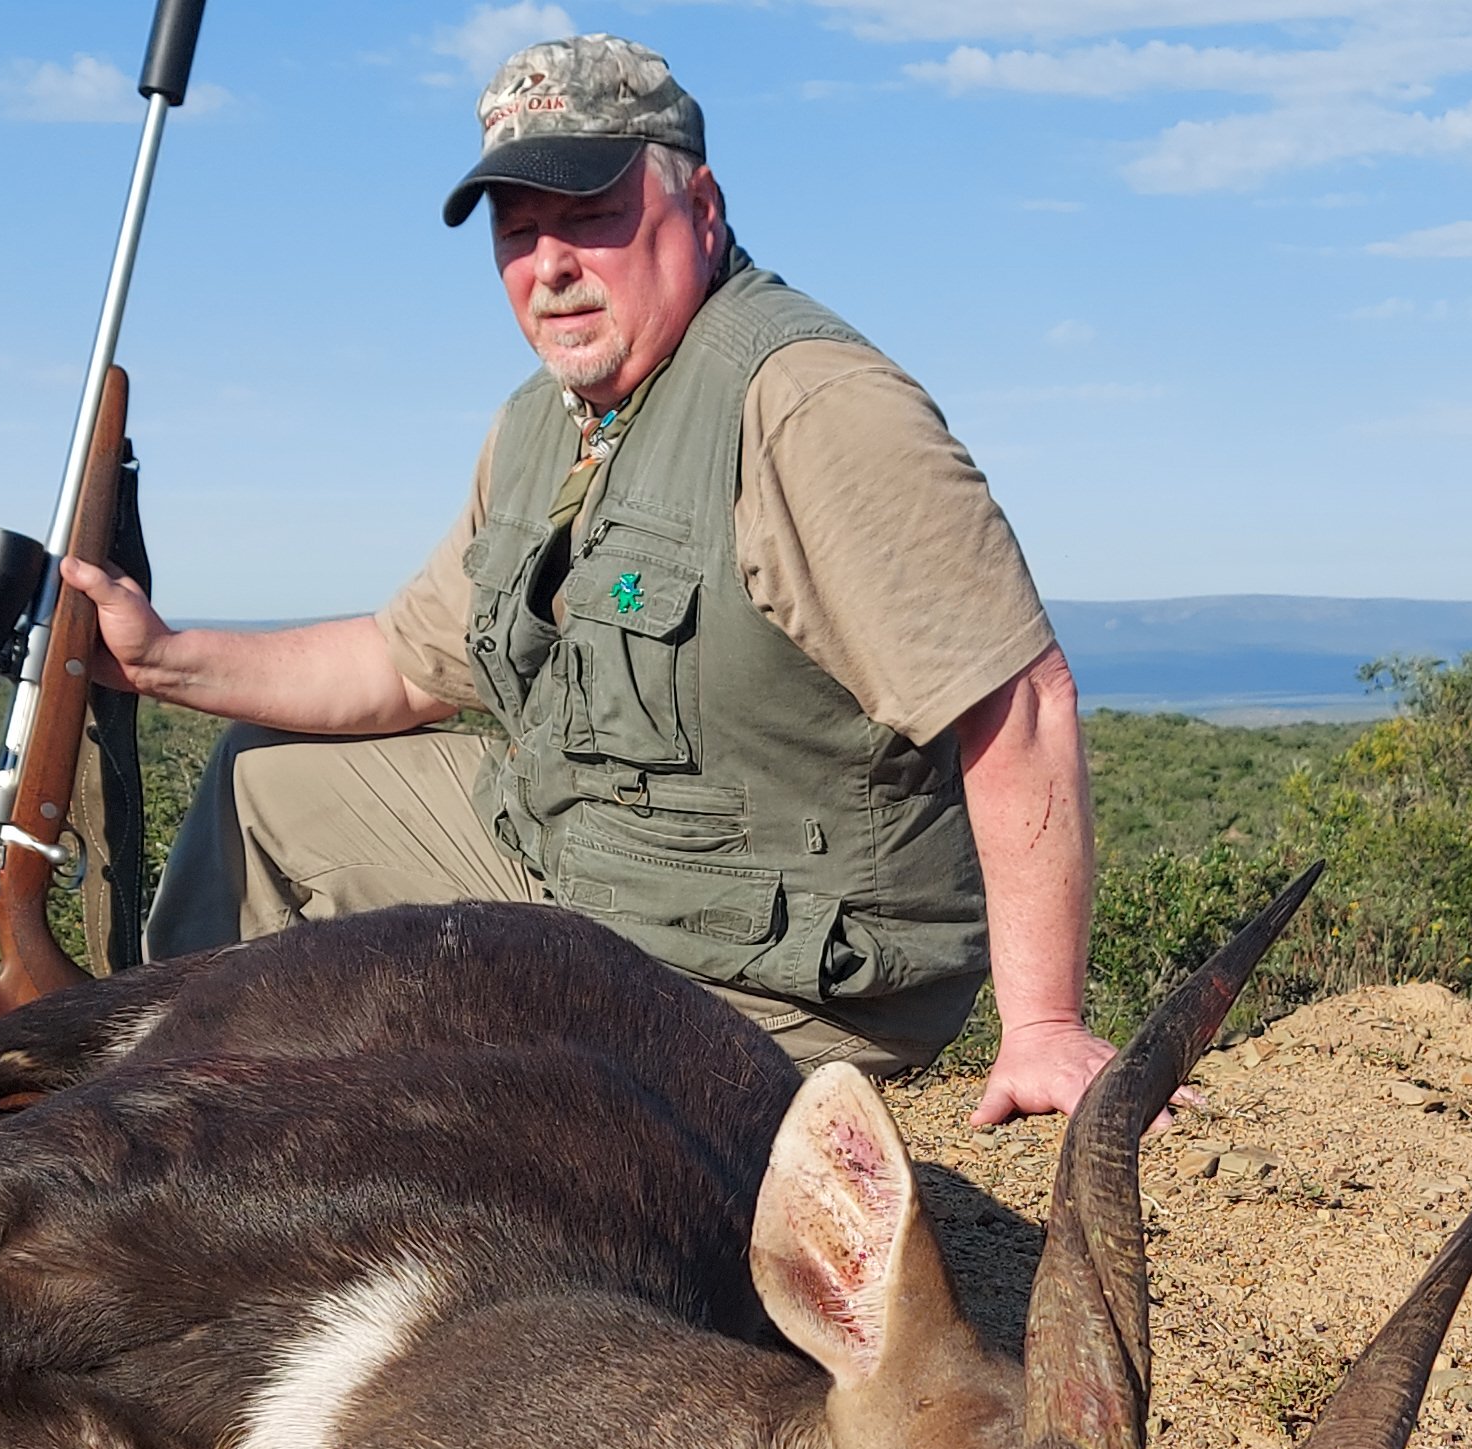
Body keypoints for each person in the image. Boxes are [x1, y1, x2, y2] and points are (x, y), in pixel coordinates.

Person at [61, 33, 1121, 1125]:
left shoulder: (807, 406)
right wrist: (167, 660)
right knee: (263, 776)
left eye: (592, 218)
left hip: (769, 976)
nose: (550, 264)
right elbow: (403, 658)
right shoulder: (541, 421)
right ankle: (145, 1103)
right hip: (584, 875)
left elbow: (1019, 696)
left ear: (699, 208)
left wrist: (1040, 1025)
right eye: (518, 233)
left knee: (458, 1112)